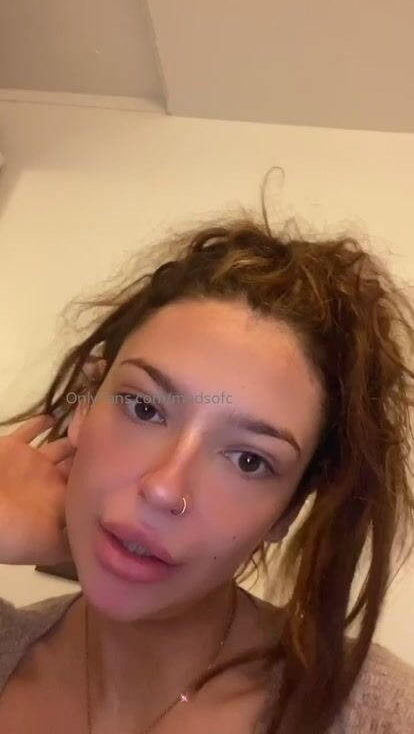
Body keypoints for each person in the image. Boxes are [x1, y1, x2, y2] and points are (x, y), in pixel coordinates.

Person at [0, 200, 414, 734]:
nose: (164, 488)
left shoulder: (380, 715)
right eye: (144, 408)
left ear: (288, 510)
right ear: (85, 405)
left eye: (248, 460)